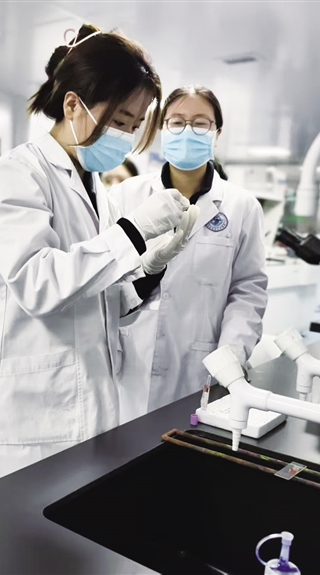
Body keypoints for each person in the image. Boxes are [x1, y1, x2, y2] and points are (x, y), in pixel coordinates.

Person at [0, 25, 199, 498]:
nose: (126, 135)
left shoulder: (95, 189)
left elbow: (95, 299)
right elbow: (39, 284)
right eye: (121, 119)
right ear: (72, 105)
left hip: (85, 406)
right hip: (23, 417)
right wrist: (134, 231)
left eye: (135, 124)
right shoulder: (16, 175)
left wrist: (147, 273)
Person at [108, 85, 268, 424]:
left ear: (217, 134)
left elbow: (248, 290)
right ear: (162, 129)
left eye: (200, 123)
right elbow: (105, 278)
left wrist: (230, 358)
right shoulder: (125, 196)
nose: (187, 131)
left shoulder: (242, 206)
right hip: (130, 361)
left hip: (202, 365)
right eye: (177, 122)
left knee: (186, 447)